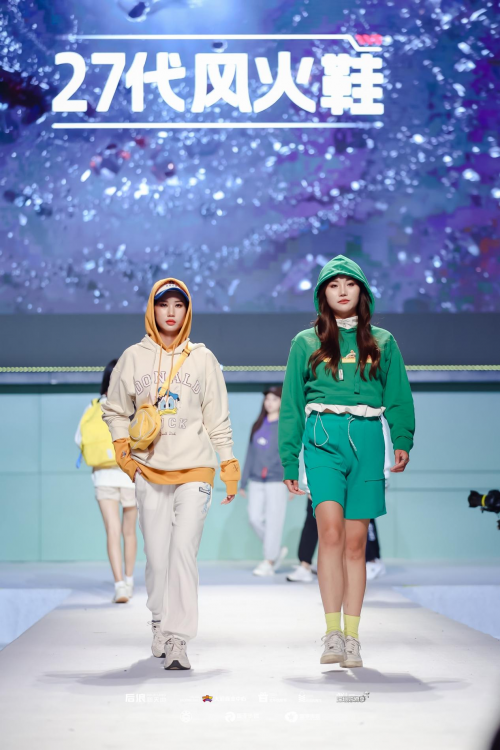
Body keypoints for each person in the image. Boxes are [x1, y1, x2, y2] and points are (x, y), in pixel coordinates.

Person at [279, 254, 415, 668]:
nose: (342, 291)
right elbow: (291, 405)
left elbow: (398, 395)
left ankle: (353, 637)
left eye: (350, 283)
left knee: (356, 545)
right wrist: (289, 459)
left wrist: (402, 438)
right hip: (323, 439)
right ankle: (332, 633)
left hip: (368, 441)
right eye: (333, 284)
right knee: (330, 533)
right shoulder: (305, 342)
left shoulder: (383, 342)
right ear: (323, 294)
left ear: (362, 291)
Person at [102, 278, 240, 670]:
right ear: (153, 309)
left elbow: (217, 417)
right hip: (149, 468)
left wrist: (228, 466)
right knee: (158, 557)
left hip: (195, 467)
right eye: (164, 304)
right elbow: (114, 408)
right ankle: (159, 621)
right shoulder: (133, 357)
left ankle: (178, 638)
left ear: (187, 311)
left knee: (183, 552)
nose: (171, 312)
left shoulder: (203, 358)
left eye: (179, 305)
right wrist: (124, 454)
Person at [75, 360, 137, 604]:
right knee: (129, 532)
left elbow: (79, 439)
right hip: (130, 476)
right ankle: (129, 581)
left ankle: (119, 586)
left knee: (112, 531)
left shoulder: (93, 407)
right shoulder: (133, 406)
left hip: (103, 475)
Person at [239, 386, 290, 576]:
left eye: (274, 399)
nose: (270, 402)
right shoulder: (257, 425)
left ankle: (269, 561)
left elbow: (289, 455)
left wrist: (291, 480)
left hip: (277, 480)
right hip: (256, 480)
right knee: (254, 518)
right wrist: (243, 482)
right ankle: (275, 551)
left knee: (274, 521)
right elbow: (250, 454)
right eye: (267, 399)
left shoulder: (285, 425)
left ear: (281, 402)